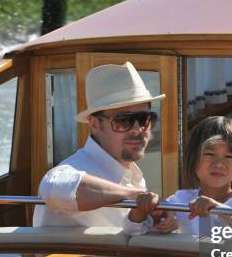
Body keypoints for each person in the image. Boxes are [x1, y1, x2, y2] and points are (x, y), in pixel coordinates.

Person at [33, 61, 165, 227]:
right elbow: (54, 187)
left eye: (144, 119)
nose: (137, 129)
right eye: (123, 120)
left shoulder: (134, 175)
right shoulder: (71, 170)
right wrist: (133, 194)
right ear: (94, 124)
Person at [123, 116, 232, 235]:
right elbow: (133, 230)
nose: (219, 164)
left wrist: (217, 209)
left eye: (229, 156)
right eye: (209, 154)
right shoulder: (180, 200)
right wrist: (147, 212)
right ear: (193, 159)